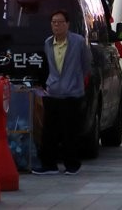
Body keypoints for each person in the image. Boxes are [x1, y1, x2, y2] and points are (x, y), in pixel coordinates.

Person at [32, 10, 94, 176]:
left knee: (70, 131)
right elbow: (48, 66)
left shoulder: (78, 42)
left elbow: (86, 64)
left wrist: (76, 80)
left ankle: (72, 164)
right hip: (53, 92)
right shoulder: (48, 43)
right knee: (49, 131)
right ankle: (49, 165)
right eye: (54, 22)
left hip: (72, 93)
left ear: (67, 24)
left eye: (60, 22)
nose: (56, 25)